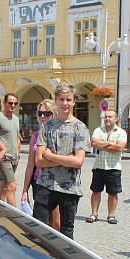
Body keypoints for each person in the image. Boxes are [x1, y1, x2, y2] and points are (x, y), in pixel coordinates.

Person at [33, 83, 88, 239]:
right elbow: (39, 161)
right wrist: (67, 159)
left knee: (66, 233)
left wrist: (50, 156)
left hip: (70, 188)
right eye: (61, 99)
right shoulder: (46, 127)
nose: (65, 103)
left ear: (73, 101)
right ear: (55, 100)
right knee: (39, 230)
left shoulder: (80, 127)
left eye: (68, 99)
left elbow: (78, 162)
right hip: (46, 184)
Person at [21, 99, 60, 231]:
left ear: (54, 114)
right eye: (40, 113)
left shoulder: (59, 134)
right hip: (38, 182)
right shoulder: (35, 136)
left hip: (57, 182)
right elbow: (31, 165)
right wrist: (25, 190)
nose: (42, 117)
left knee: (57, 223)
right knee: (42, 223)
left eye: (47, 113)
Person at [87, 109, 127, 224]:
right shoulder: (98, 130)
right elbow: (94, 143)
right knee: (95, 191)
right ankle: (94, 214)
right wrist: (111, 144)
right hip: (99, 166)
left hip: (114, 167)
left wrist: (102, 145)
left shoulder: (121, 132)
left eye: (110, 117)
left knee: (113, 193)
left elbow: (120, 148)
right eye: (106, 117)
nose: (107, 119)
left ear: (116, 119)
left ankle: (111, 215)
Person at [0, 93, 22, 206]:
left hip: (14, 158)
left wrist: (18, 151)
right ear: (4, 103)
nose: (13, 105)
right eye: (10, 103)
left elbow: (17, 136)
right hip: (4, 157)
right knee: (12, 186)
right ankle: (15, 216)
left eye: (15, 103)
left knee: (4, 187)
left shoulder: (16, 119)